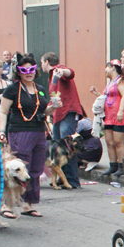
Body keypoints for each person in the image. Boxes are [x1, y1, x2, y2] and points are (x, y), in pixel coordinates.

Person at [0, 53, 56, 218]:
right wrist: (1, 131)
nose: (28, 72)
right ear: (18, 71)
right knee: (17, 169)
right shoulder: (12, 89)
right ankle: (7, 205)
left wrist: (54, 107)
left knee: (35, 169)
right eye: (24, 70)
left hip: (38, 132)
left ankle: (27, 204)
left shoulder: (41, 89)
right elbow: (3, 112)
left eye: (31, 69)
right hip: (19, 131)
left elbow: (44, 111)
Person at [41, 52, 86, 188]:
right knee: (58, 148)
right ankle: (62, 178)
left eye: (41, 62)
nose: (40, 65)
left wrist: (62, 71)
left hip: (67, 112)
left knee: (68, 147)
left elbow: (70, 73)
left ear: (46, 61)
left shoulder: (58, 70)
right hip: (57, 114)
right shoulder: (51, 76)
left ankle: (72, 180)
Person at [90, 60, 124, 177]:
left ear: (112, 67)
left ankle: (122, 166)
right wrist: (97, 94)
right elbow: (107, 98)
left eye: (106, 67)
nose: (105, 70)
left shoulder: (122, 80)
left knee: (119, 142)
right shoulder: (110, 83)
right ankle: (113, 165)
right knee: (109, 141)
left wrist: (121, 111)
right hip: (109, 116)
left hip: (119, 116)